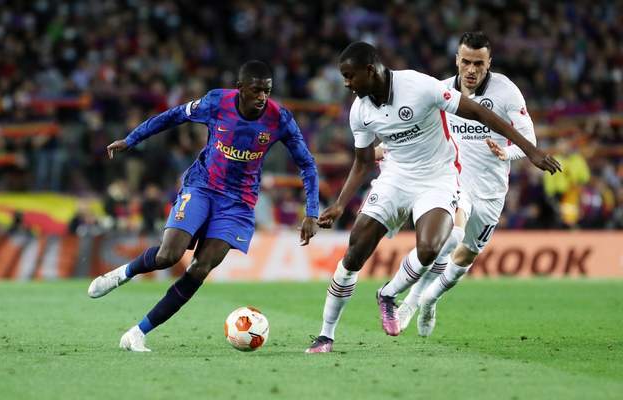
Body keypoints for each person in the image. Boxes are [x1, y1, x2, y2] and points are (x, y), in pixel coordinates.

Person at [305, 41, 560, 353]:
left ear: (369, 71)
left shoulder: (418, 86)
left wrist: (530, 151)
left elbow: (478, 111)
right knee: (355, 252)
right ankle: (326, 335)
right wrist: (340, 204)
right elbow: (362, 161)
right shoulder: (360, 111)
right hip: (396, 178)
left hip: (437, 178)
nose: (346, 83)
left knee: (431, 247)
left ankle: (389, 294)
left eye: (349, 76)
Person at [87, 60, 319, 352]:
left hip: (238, 204)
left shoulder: (279, 119)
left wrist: (311, 212)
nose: (262, 97)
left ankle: (137, 333)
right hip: (202, 187)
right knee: (168, 255)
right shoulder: (216, 102)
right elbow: (173, 116)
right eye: (256, 90)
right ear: (240, 88)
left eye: (267, 91)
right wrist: (132, 139)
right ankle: (122, 274)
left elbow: (307, 164)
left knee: (199, 269)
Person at [391, 32, 545, 337]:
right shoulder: (441, 91)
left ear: (489, 63)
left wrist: (507, 153)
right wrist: (387, 149)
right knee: (450, 237)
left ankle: (430, 299)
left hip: (490, 190)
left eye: (478, 63)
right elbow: (414, 129)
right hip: (453, 181)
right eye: (466, 62)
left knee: (465, 256)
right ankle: (409, 302)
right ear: (457, 60)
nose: (471, 69)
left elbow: (529, 140)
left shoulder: (506, 92)